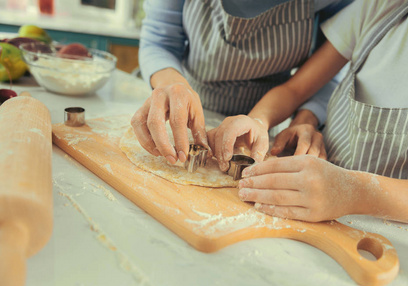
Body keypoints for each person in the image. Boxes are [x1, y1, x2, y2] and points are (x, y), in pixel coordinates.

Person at [210, 0, 408, 225]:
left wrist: (353, 192)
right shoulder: (380, 7)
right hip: (306, 201)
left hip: (391, 232)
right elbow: (296, 89)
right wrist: (258, 120)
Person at [131, 0, 352, 165]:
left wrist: (305, 119)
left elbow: (328, 67)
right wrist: (172, 83)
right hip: (188, 118)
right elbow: (159, 41)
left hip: (267, 127)